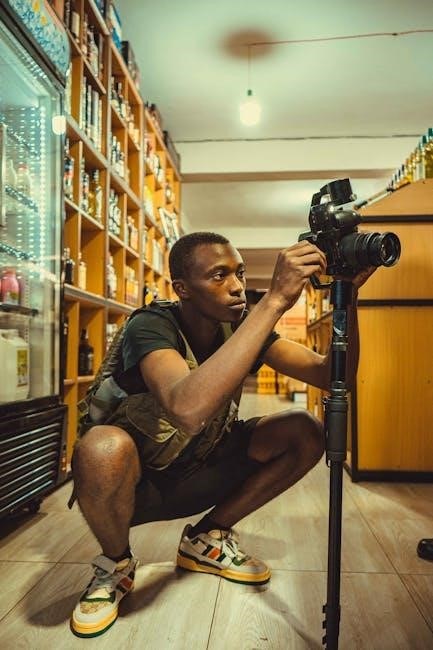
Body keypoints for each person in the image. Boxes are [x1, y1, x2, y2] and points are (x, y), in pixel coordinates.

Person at [70, 231, 375, 637]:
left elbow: (331, 374)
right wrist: (274, 301)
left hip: (200, 466)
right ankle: (116, 563)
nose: (236, 286)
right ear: (183, 289)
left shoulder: (240, 325)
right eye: (219, 275)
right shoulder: (151, 324)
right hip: (136, 486)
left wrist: (348, 298)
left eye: (240, 273)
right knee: (101, 447)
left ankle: (204, 539)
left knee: (305, 430)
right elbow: (186, 409)